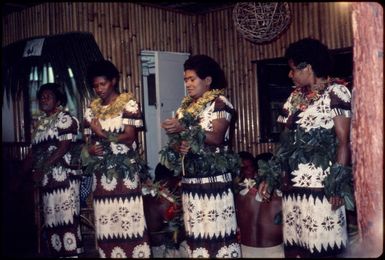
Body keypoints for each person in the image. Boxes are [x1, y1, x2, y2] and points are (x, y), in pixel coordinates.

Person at [258, 38, 353, 258]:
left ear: (308, 67)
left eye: (292, 69)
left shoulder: (336, 93)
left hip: (323, 191)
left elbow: (343, 142)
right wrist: (270, 177)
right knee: (296, 249)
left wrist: (337, 185)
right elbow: (284, 144)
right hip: (293, 190)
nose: (290, 75)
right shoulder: (294, 97)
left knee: (321, 248)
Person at [161, 54, 241, 257]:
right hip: (191, 181)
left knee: (217, 234)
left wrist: (184, 127)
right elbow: (181, 142)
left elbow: (215, 137)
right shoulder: (184, 108)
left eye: (192, 79)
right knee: (197, 236)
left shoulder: (220, 103)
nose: (188, 84)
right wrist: (178, 145)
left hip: (214, 180)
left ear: (207, 80)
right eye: (185, 80)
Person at [83, 59, 151, 257]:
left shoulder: (128, 104)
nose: (98, 89)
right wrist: (91, 150)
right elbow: (88, 142)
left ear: (113, 81)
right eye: (95, 85)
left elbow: (129, 138)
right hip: (101, 175)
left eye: (102, 84)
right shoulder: (91, 109)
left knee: (129, 217)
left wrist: (102, 133)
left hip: (124, 173)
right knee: (107, 219)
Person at [21, 83, 83, 257]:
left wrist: (43, 168)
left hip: (65, 177)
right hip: (48, 181)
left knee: (66, 218)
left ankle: (71, 255)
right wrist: (20, 175)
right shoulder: (40, 126)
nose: (43, 99)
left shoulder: (65, 118)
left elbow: (63, 147)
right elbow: (33, 153)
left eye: (48, 96)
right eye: (41, 96)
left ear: (58, 100)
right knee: (52, 221)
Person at [235, 152, 284, 258]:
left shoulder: (240, 195)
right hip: (274, 252)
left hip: (245, 251)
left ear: (256, 171)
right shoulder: (281, 199)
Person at [142, 163, 187, 258]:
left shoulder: (146, 194)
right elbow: (175, 229)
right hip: (163, 250)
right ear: (167, 179)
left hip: (148, 247)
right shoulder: (164, 199)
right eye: (173, 178)